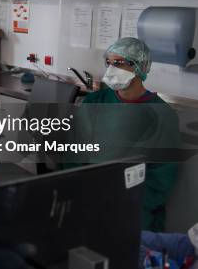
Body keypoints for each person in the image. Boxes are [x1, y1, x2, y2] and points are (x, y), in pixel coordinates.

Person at [66, 37, 180, 231]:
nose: (111, 69)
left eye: (118, 63)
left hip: (133, 208)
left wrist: (125, 201)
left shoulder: (162, 115)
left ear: (139, 67)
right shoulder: (95, 102)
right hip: (89, 199)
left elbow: (161, 178)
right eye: (109, 62)